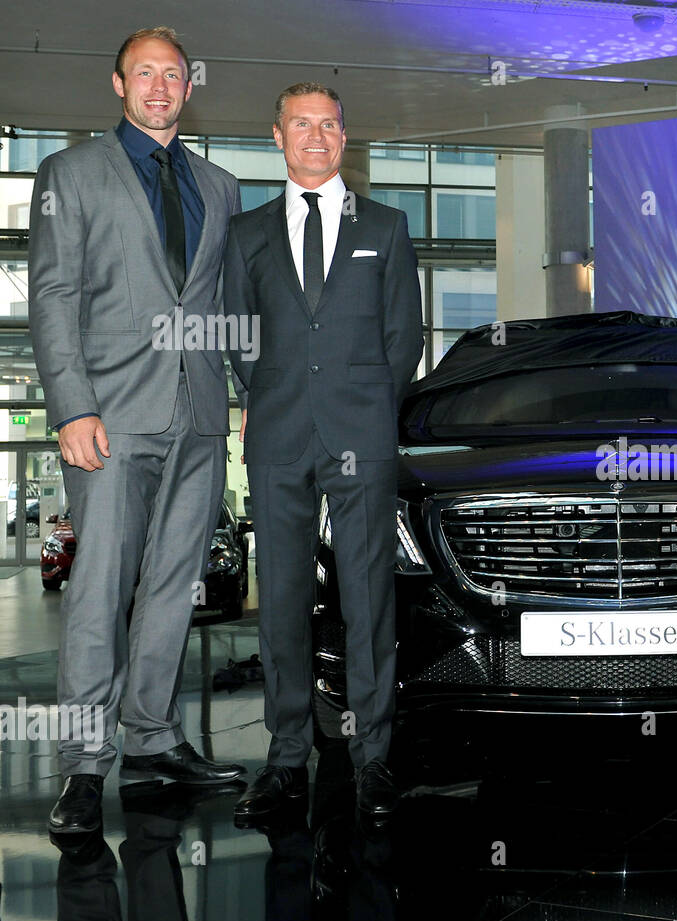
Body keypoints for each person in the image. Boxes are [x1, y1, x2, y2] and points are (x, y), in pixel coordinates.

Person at [30, 26, 245, 835]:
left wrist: (246, 394)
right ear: (117, 84)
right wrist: (70, 407)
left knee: (171, 588)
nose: (160, 86)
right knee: (99, 588)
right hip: (111, 418)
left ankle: (152, 739)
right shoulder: (70, 172)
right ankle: (85, 764)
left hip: (198, 416)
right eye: (143, 74)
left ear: (191, 86)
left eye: (174, 75)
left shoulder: (219, 185)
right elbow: (51, 297)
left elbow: (221, 304)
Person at [224, 83, 423, 822]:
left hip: (361, 435)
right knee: (279, 600)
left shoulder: (389, 225)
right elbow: (241, 337)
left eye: (329, 125)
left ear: (346, 135)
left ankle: (373, 758)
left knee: (368, 597)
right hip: (276, 435)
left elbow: (406, 338)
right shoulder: (245, 233)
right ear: (277, 134)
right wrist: (274, 392)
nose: (316, 136)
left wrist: (368, 405)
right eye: (301, 124)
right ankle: (284, 758)